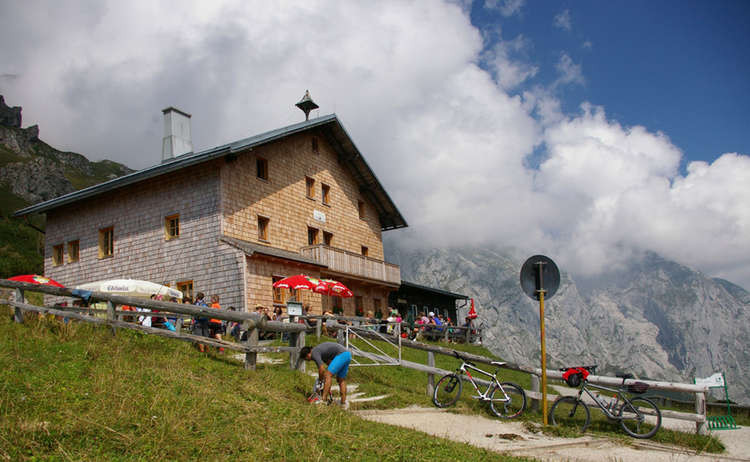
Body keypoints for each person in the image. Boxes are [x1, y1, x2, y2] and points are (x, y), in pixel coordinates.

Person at [300, 342, 352, 409]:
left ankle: (323, 400)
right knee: (340, 379)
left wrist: (320, 381)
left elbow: (321, 368)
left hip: (341, 354)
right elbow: (329, 364)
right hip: (347, 355)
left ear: (308, 355)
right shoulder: (321, 352)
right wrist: (326, 378)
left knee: (328, 375)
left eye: (306, 359)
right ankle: (343, 403)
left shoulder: (314, 352)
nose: (308, 360)